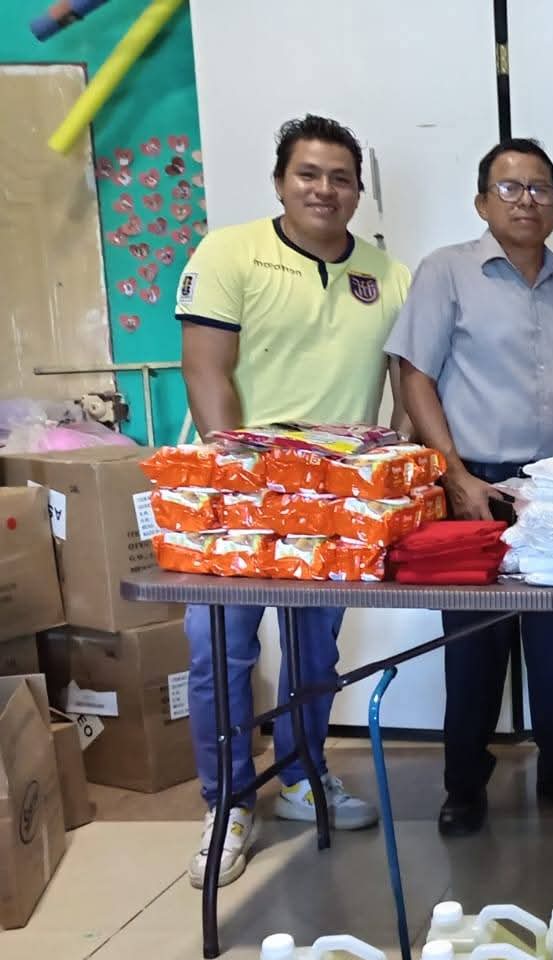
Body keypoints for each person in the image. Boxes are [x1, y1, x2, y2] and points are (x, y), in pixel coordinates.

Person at [175, 113, 411, 886]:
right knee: (222, 648)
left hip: (334, 502)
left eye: (341, 177)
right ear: (281, 181)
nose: (324, 189)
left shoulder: (388, 275)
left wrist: (393, 476)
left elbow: (407, 385)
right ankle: (228, 802)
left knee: (315, 650)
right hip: (237, 491)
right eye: (309, 173)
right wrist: (243, 476)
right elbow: (206, 368)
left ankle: (305, 775)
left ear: (359, 191)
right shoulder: (229, 252)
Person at [386, 137, 553, 835]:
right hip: (474, 483)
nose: (526, 201)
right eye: (509, 188)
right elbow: (414, 375)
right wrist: (453, 473)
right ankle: (463, 784)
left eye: (539, 188)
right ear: (482, 202)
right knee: (473, 645)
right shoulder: (446, 271)